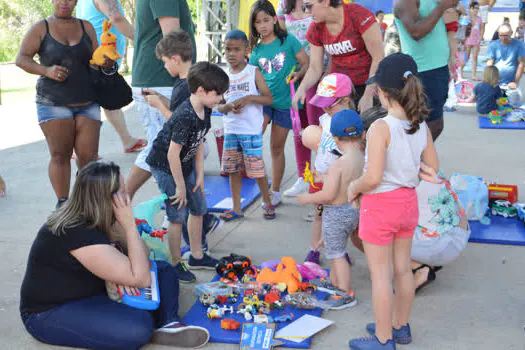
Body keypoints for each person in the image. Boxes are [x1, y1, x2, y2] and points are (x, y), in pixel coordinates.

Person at [19, 161, 210, 349]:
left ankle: (169, 325)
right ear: (106, 199)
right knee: (138, 328)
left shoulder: (96, 214)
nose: (127, 195)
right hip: (52, 311)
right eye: (123, 190)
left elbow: (144, 255)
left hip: (92, 287)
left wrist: (126, 237)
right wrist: (129, 229)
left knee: (163, 270)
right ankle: (152, 322)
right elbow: (142, 278)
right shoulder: (75, 230)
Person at [347, 53, 439, 349]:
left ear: (380, 93)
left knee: (380, 276)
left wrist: (353, 186)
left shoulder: (380, 128)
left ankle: (383, 338)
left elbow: (372, 177)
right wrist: (412, 173)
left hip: (380, 206)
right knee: (402, 269)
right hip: (407, 204)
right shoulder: (420, 126)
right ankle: (399, 326)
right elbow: (433, 167)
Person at [15, 0, 106, 207]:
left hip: (88, 101)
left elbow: (96, 58)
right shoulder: (41, 28)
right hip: (53, 102)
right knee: (60, 155)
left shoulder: (86, 27)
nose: (64, 2)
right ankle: (63, 204)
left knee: (88, 158)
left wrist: (105, 61)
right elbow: (21, 59)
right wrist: (46, 71)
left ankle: (86, 204)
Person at [146, 62, 229, 282]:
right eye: (217, 93)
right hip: (166, 166)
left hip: (185, 163)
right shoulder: (185, 116)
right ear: (201, 90)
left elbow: (200, 141)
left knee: (199, 208)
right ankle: (174, 264)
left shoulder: (206, 108)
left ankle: (197, 255)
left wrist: (200, 174)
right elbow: (172, 154)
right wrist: (181, 186)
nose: (221, 98)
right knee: (177, 216)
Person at [126, 0, 196, 201]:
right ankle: (119, 201)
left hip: (162, 79)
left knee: (187, 145)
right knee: (164, 149)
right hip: (161, 79)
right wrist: (194, 77)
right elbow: (173, 40)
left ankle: (190, 210)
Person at [296, 109, 363, 310]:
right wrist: (323, 178)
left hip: (336, 213)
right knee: (337, 249)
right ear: (362, 134)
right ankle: (334, 284)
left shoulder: (337, 164)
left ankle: (344, 292)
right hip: (353, 210)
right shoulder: (360, 158)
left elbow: (328, 195)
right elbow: (347, 183)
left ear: (333, 137)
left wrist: (307, 198)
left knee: (337, 254)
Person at [248, 0, 309, 208]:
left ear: (275, 19)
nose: (263, 25)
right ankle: (258, 179)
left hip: (285, 104)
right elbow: (252, 78)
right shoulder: (255, 51)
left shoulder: (289, 41)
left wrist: (298, 74)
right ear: (254, 26)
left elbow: (306, 62)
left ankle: (275, 191)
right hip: (264, 103)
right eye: (258, 22)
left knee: (276, 148)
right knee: (254, 140)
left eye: (266, 20)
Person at [217, 30, 275, 221]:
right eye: (227, 49)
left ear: (246, 50)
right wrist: (227, 106)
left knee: (256, 169)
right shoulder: (223, 76)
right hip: (231, 130)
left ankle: (267, 202)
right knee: (233, 169)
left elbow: (268, 99)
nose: (231, 54)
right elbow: (219, 104)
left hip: (250, 131)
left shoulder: (253, 72)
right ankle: (236, 208)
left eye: (236, 49)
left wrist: (249, 98)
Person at [76, 0, 147, 154]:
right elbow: (117, 19)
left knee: (109, 101)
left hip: (98, 58)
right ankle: (84, 151)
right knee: (90, 106)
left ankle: (127, 141)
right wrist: (144, 40)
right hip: (99, 59)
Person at [301, 73, 356, 265]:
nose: (325, 107)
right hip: (320, 177)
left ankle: (339, 249)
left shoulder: (352, 124)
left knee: (340, 219)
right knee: (319, 215)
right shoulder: (325, 118)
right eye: (323, 103)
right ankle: (313, 249)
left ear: (346, 99)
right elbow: (323, 148)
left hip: (339, 180)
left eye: (330, 104)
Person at [293, 0, 384, 114]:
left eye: (309, 6)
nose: (306, 12)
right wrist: (302, 88)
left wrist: (368, 94)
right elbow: (315, 68)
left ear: (326, 2)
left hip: (367, 84)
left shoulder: (358, 15)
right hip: (339, 89)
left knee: (368, 127)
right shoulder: (316, 28)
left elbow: (378, 57)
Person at [277, 0, 324, 198]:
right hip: (294, 76)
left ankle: (322, 176)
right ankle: (303, 177)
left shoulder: (317, 4)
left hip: (317, 72)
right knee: (299, 128)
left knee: (317, 127)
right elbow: (283, 41)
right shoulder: (283, 6)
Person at [394, 0, 458, 141]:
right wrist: (441, 7)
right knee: (428, 125)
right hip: (423, 72)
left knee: (433, 124)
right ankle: (414, 160)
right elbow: (416, 31)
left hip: (438, 69)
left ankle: (418, 160)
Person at [486, 23, 525, 88]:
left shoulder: (519, 45)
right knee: (497, 97)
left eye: (506, 35)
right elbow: (490, 63)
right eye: (501, 35)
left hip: (511, 82)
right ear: (498, 33)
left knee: (506, 98)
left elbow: (521, 64)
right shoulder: (493, 45)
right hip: (495, 81)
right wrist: (488, 79)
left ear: (511, 33)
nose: (503, 38)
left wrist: (515, 81)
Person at [459, 2, 482, 81]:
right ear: (471, 8)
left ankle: (473, 75)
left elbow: (481, 28)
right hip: (468, 39)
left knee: (475, 57)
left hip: (476, 40)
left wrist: (480, 38)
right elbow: (462, 27)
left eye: (478, 8)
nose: (476, 10)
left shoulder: (479, 18)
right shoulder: (467, 17)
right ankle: (460, 72)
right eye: (475, 8)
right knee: (466, 57)